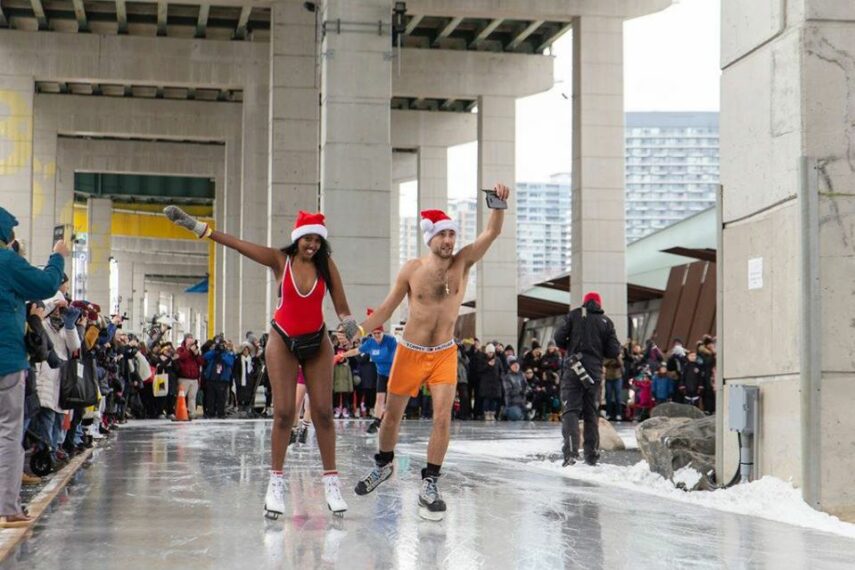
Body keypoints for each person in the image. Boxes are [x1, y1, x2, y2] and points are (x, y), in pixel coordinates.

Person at [164, 206, 359, 518]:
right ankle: (276, 483)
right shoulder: (280, 261)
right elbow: (240, 245)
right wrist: (199, 228)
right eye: (307, 240)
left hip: (317, 342)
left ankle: (332, 482)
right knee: (283, 414)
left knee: (322, 413)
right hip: (283, 341)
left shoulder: (327, 266)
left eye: (317, 241)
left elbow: (343, 308)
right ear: (297, 240)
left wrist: (350, 325)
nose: (312, 246)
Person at [353, 183, 511, 521]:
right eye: (443, 235)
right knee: (391, 416)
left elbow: (492, 232)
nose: (450, 241)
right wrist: (361, 329)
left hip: (444, 353)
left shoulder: (463, 262)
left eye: (453, 234)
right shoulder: (412, 270)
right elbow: (386, 308)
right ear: (430, 239)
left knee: (442, 417)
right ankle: (383, 465)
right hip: (410, 351)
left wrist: (497, 202)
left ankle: (430, 482)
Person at [0, 207, 67, 528]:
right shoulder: (7, 262)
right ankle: (8, 508)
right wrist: (58, 256)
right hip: (7, 362)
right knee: (9, 434)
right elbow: (46, 284)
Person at [554, 291, 621, 467]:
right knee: (592, 414)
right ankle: (591, 455)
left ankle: (571, 454)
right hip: (594, 373)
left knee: (571, 411)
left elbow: (558, 338)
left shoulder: (574, 315)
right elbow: (614, 351)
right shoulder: (606, 321)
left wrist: (570, 345)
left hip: (573, 369)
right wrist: (598, 352)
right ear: (599, 304)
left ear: (584, 302)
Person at [343, 311, 397, 433]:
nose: (377, 335)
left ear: (383, 332)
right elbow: (356, 351)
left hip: (394, 373)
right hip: (381, 373)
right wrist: (342, 355)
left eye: (379, 333)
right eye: (374, 333)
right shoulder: (370, 343)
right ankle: (377, 422)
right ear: (371, 334)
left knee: (392, 399)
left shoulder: (390, 341)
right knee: (379, 398)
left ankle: (392, 420)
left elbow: (398, 355)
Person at [203, 337, 236, 419]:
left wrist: (222, 354)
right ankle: (211, 412)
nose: (221, 346)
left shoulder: (228, 353)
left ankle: (221, 413)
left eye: (222, 344)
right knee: (210, 397)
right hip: (211, 378)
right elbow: (205, 356)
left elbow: (230, 362)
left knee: (221, 397)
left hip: (222, 379)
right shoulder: (213, 353)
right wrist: (215, 351)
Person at [174, 334, 204, 418]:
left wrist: (196, 354)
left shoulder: (195, 351)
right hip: (183, 378)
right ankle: (178, 412)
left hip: (194, 378)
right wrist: (189, 350)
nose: (191, 340)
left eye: (192, 338)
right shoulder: (180, 350)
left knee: (192, 397)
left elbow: (201, 362)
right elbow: (181, 357)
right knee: (181, 396)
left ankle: (192, 413)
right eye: (189, 338)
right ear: (185, 340)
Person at [477, 344, 503, 421]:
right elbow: (479, 370)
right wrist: (488, 365)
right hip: (486, 383)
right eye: (489, 352)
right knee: (487, 400)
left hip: (495, 383)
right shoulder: (482, 360)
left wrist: (500, 378)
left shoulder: (497, 360)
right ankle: (486, 414)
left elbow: (501, 370)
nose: (490, 354)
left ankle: (493, 414)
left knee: (494, 400)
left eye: (492, 352)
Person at [501, 356, 528, 421]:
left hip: (522, 402)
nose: (516, 366)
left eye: (517, 365)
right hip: (512, 403)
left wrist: (526, 391)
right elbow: (509, 391)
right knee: (516, 416)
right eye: (514, 365)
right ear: (510, 366)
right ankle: (505, 412)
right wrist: (520, 390)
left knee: (527, 418)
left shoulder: (521, 375)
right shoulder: (507, 377)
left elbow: (526, 386)